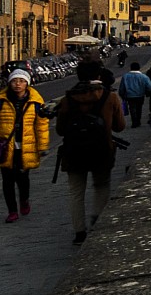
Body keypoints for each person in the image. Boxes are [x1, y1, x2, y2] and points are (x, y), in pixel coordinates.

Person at [53, 70, 127, 244]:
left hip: (73, 152)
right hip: (101, 151)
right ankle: (98, 222)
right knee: (101, 186)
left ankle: (79, 232)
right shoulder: (110, 97)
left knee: (76, 192)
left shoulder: (67, 99)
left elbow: (60, 130)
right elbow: (120, 127)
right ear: (99, 78)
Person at [0, 70, 50, 223]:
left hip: (26, 146)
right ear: (9, 83)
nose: (18, 84)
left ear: (27, 83)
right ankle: (12, 211)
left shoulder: (36, 102)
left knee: (23, 179)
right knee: (7, 181)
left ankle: (24, 200)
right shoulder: (0, 101)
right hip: (5, 147)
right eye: (14, 81)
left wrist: (43, 146)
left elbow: (41, 125)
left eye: (21, 81)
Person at [119, 63, 151, 127]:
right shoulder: (143, 76)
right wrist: (147, 92)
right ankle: (138, 121)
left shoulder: (125, 76)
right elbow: (149, 86)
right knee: (139, 108)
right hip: (140, 95)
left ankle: (134, 122)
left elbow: (122, 87)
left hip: (130, 95)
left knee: (132, 108)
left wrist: (122, 95)